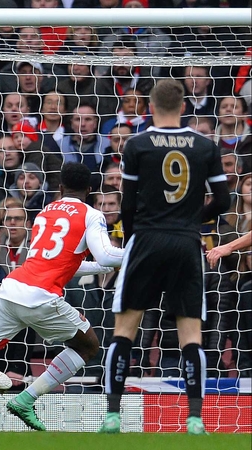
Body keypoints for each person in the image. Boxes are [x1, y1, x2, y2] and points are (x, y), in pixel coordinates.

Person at [0, 163, 125, 432]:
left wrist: (106, 265)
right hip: (41, 296)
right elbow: (104, 255)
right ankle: (26, 399)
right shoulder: (91, 214)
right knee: (88, 345)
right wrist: (138, 256)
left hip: (11, 289)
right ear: (90, 191)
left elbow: (60, 262)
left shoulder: (46, 211)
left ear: (60, 188)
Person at [100, 79, 231, 435]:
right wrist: (190, 220)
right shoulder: (205, 145)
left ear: (151, 108)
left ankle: (112, 415)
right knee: (191, 334)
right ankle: (195, 419)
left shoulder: (138, 144)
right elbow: (223, 201)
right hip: (187, 242)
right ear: (184, 107)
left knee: (125, 330)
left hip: (146, 238)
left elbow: (126, 202)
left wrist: (132, 238)